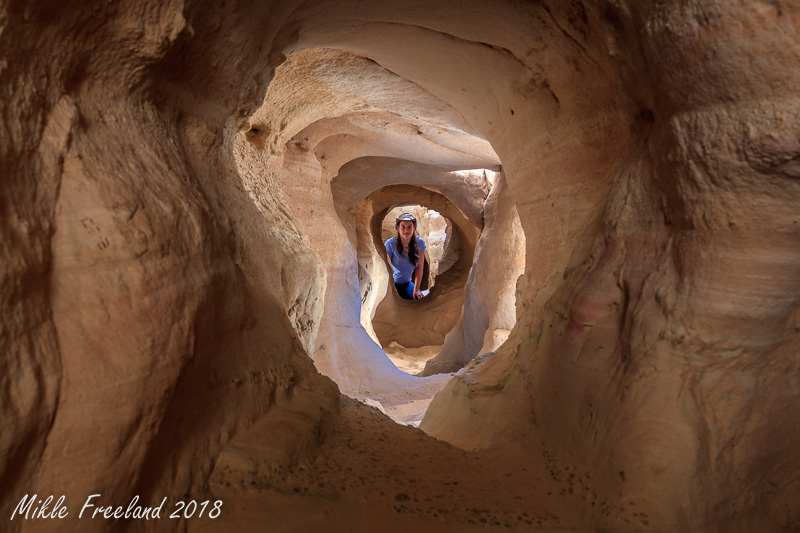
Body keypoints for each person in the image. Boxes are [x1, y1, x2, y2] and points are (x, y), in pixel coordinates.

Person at [385, 212, 427, 300]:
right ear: (398, 228)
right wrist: (391, 288)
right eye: (403, 227)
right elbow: (386, 269)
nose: (406, 230)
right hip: (392, 284)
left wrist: (416, 289)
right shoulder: (390, 244)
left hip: (407, 284)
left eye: (409, 227)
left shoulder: (420, 243)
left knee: (419, 301)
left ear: (414, 228)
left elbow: (419, 267)